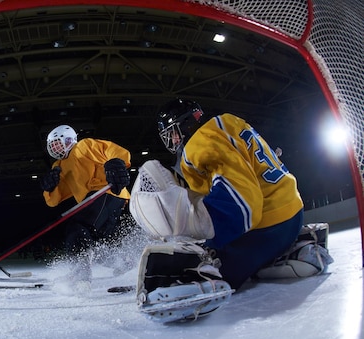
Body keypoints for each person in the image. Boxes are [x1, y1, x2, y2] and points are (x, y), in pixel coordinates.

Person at [130, 98, 304, 296]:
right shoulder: (229, 122)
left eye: (172, 134)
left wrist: (195, 226)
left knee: (190, 271)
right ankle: (291, 252)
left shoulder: (200, 143)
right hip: (293, 215)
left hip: (268, 229)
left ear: (185, 125)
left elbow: (243, 207)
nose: (174, 141)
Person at [39, 124, 132, 278]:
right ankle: (124, 262)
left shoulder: (83, 146)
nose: (56, 148)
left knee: (77, 227)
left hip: (106, 191)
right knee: (94, 244)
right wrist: (50, 187)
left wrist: (114, 162)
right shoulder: (59, 166)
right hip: (100, 201)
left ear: (69, 140)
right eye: (53, 146)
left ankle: (80, 272)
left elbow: (112, 150)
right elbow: (53, 201)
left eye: (58, 143)